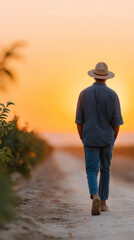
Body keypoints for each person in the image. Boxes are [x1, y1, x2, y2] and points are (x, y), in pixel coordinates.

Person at [75, 62, 123, 215]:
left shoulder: (84, 94)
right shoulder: (113, 95)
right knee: (105, 169)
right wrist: (112, 138)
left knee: (91, 170)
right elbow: (117, 123)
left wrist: (83, 137)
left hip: (90, 137)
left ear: (94, 76)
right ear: (106, 77)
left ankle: (94, 195)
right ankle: (102, 202)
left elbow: (79, 121)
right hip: (107, 138)